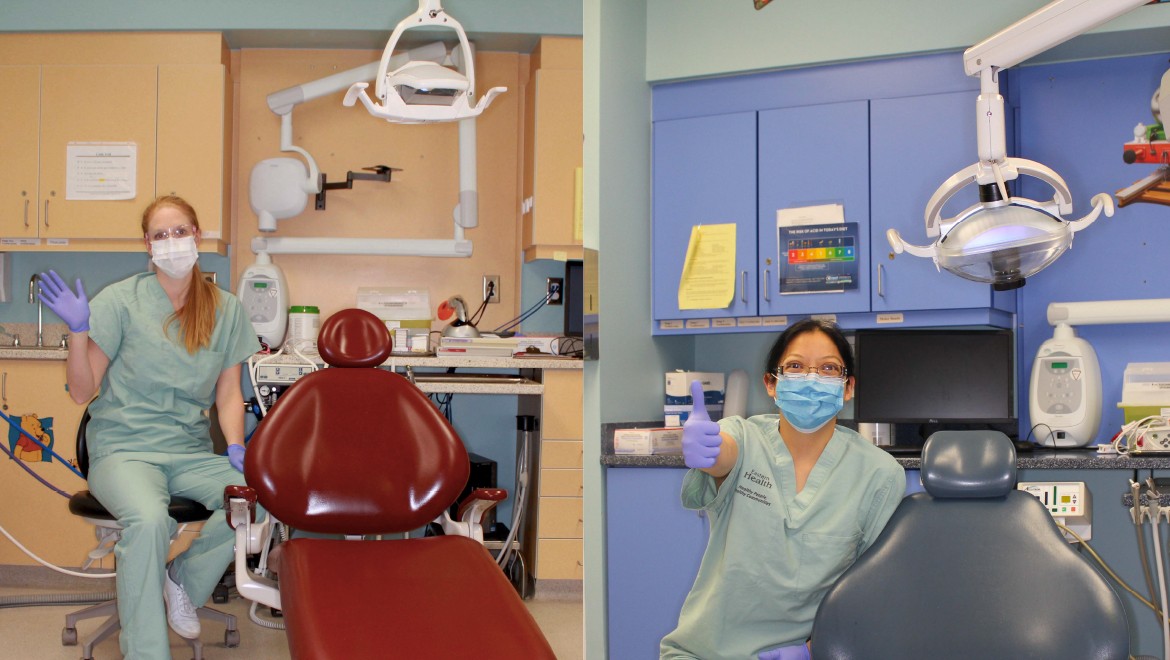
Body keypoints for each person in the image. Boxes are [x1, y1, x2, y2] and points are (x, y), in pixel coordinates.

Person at [38, 195, 262, 659]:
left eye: (180, 231)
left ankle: (182, 578)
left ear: (197, 236)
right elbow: (82, 392)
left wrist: (237, 446)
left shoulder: (226, 309)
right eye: (161, 235)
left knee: (256, 497)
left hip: (187, 450)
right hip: (123, 450)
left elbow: (227, 394)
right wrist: (78, 333)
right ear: (147, 245)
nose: (172, 242)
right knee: (148, 521)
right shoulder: (121, 301)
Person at [660, 318, 906, 660]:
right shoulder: (745, 439)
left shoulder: (879, 474)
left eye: (828, 368)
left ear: (848, 387)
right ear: (771, 384)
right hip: (706, 650)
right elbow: (725, 452)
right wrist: (711, 448)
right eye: (795, 366)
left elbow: (872, 590)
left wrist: (810, 650)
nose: (810, 378)